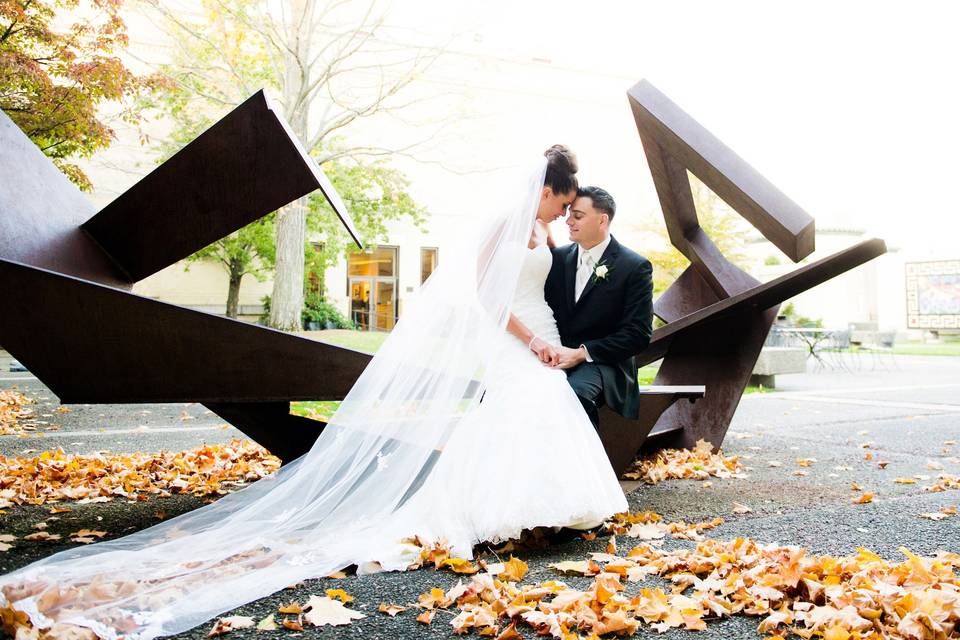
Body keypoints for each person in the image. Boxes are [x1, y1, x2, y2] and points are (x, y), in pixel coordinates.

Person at [0, 146, 635, 640]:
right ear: (548, 189)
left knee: (536, 408)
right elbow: (490, 300)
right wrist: (533, 344)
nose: (564, 210)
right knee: (533, 401)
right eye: (564, 200)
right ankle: (489, 509)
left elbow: (547, 289)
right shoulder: (502, 224)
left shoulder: (544, 234)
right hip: (513, 340)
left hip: (544, 340)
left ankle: (532, 505)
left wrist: (564, 342)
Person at [544, 186, 654, 429]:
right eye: (569, 213)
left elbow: (638, 334)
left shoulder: (634, 267)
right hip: (557, 357)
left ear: (602, 220)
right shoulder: (557, 259)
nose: (568, 221)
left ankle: (583, 465)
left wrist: (582, 353)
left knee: (573, 397)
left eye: (578, 216)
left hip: (604, 364)